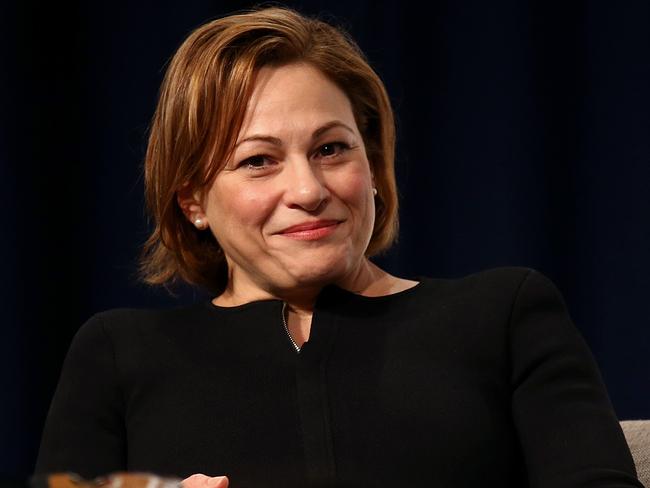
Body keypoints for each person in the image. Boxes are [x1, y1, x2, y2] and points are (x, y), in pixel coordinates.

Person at [35, 6, 642, 488]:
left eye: (331, 149)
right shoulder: (117, 355)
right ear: (193, 199)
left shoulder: (503, 316)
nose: (307, 189)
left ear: (372, 163)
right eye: (258, 161)